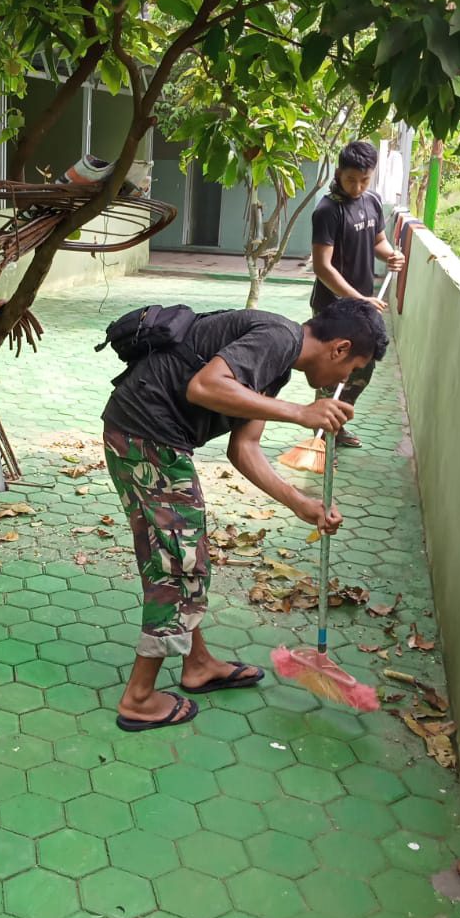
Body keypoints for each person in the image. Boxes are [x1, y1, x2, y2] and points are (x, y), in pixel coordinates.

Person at [101, 298, 388, 731]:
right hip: (148, 438)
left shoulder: (279, 363)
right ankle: (139, 698)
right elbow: (204, 387)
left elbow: (244, 448)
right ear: (340, 348)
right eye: (351, 370)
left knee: (180, 558)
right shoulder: (280, 337)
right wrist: (300, 414)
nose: (343, 381)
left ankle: (197, 665)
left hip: (142, 435)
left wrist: (300, 503)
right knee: (180, 570)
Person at [310, 140, 405, 448]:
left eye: (364, 180)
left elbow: (377, 241)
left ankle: (335, 427)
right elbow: (323, 267)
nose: (357, 187)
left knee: (362, 368)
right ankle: (320, 440)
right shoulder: (327, 210)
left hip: (361, 307)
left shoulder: (372, 201)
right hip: (333, 309)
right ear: (339, 173)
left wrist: (390, 255)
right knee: (331, 374)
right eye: (351, 180)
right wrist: (358, 299)